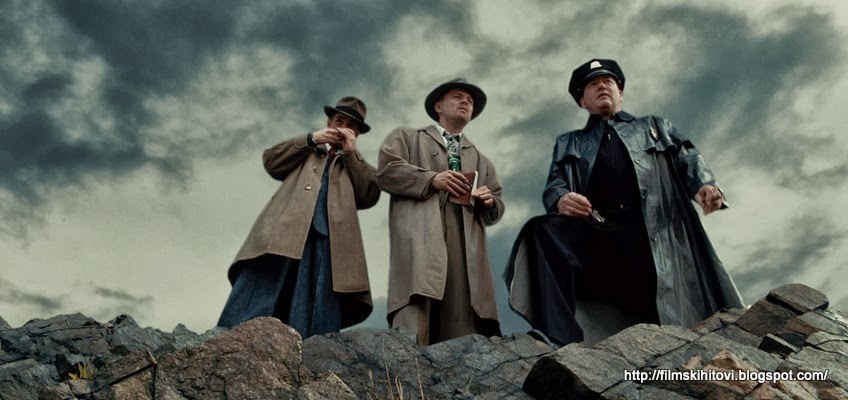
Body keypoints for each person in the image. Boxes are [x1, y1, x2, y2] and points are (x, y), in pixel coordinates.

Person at [504, 59, 745, 346]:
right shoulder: (570, 142)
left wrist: (705, 185)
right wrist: (561, 199)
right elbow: (555, 183)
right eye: (593, 84)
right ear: (583, 101)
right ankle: (559, 337)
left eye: (608, 82)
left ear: (621, 93)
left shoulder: (656, 126)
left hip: (654, 239)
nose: (601, 86)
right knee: (541, 230)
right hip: (601, 239)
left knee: (664, 323)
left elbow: (689, 158)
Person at [217, 96, 380, 339]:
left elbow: (369, 194)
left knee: (312, 307)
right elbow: (272, 161)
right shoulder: (306, 149)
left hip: (327, 242)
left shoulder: (356, 164)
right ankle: (230, 341)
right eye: (339, 121)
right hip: (282, 234)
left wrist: (351, 153)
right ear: (329, 122)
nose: (343, 128)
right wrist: (311, 139)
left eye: (351, 126)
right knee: (260, 286)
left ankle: (305, 354)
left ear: (357, 134)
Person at [376, 78, 504, 346]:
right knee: (414, 315)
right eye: (458, 97)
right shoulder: (407, 137)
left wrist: (489, 201)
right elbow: (387, 172)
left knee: (462, 325)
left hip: (464, 245)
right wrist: (432, 179)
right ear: (438, 106)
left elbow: (497, 205)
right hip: (421, 235)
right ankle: (405, 370)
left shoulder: (481, 159)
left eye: (470, 101)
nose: (465, 101)